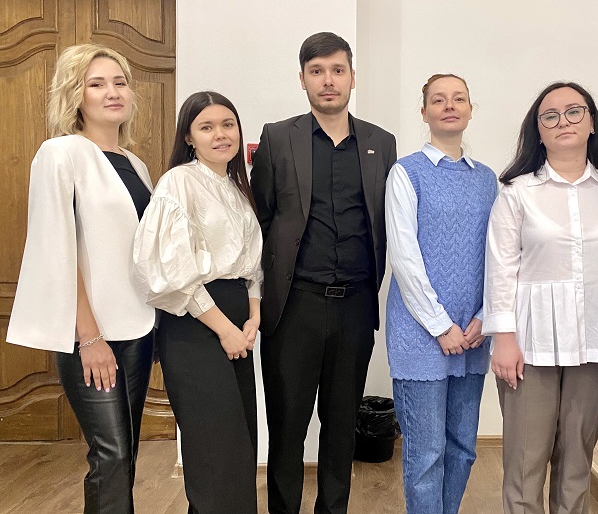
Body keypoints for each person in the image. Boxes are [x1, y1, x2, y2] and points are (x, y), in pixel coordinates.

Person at [250, 31, 397, 514]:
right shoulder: (278, 137)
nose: (328, 80)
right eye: (317, 71)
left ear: (353, 77)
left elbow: (385, 222)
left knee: (340, 428)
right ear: (302, 79)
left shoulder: (380, 143)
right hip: (294, 308)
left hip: (355, 306)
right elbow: (261, 220)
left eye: (337, 70)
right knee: (287, 426)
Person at [483, 82, 598, 514]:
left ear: (592, 122)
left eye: (574, 111)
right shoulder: (517, 192)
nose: (563, 122)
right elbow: (500, 269)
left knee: (577, 463)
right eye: (550, 116)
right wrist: (503, 339)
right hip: (529, 346)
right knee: (525, 463)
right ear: (538, 132)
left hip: (597, 343)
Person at [6, 44, 156, 514]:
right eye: (97, 84)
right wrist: (89, 337)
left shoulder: (135, 164)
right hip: (90, 335)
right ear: (76, 96)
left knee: (124, 456)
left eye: (120, 82)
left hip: (139, 328)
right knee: (112, 454)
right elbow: (57, 248)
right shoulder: (60, 153)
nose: (113, 92)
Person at [132, 91, 262, 514]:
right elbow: (171, 272)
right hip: (196, 323)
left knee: (239, 446)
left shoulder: (237, 187)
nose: (220, 134)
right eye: (206, 127)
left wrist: (253, 317)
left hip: (237, 320)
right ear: (189, 137)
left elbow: (252, 266)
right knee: (216, 449)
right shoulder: (179, 182)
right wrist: (225, 329)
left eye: (228, 124)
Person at [385, 74, 497, 514]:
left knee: (462, 447)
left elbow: (499, 254)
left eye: (458, 99)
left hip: (473, 333)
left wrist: (485, 316)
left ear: (470, 109)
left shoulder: (487, 179)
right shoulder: (406, 173)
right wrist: (439, 325)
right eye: (438, 100)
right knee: (426, 453)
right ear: (424, 112)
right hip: (421, 335)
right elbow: (404, 257)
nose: (449, 106)